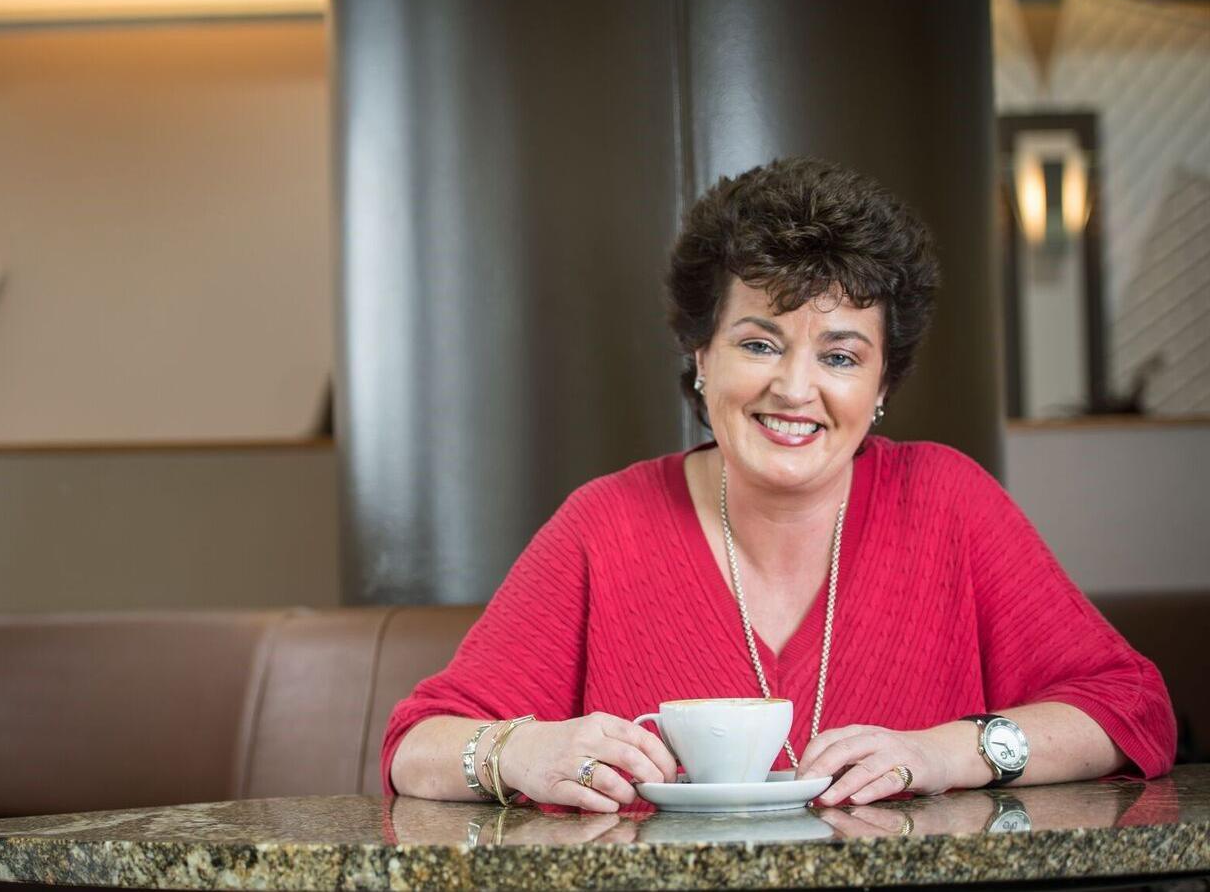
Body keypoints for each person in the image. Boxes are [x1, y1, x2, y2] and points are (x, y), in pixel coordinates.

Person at [381, 157, 1176, 813]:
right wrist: (518, 749)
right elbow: (417, 746)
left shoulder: (945, 502)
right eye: (759, 343)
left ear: (882, 384)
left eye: (839, 357)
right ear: (701, 356)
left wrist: (944, 752)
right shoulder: (607, 524)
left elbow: (1130, 708)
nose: (796, 390)